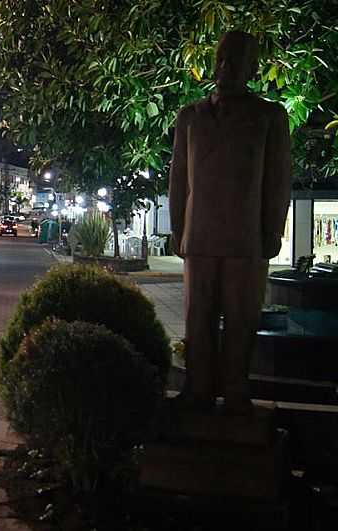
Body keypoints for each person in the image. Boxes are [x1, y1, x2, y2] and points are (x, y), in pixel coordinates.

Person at [169, 31, 291, 415]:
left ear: (253, 69)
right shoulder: (190, 116)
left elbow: (278, 179)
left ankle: (237, 391)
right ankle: (198, 389)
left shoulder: (270, 116)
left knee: (242, 320)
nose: (226, 68)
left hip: (246, 239)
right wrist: (177, 228)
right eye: (222, 59)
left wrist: (273, 230)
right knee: (197, 318)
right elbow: (178, 178)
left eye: (237, 61)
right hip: (200, 236)